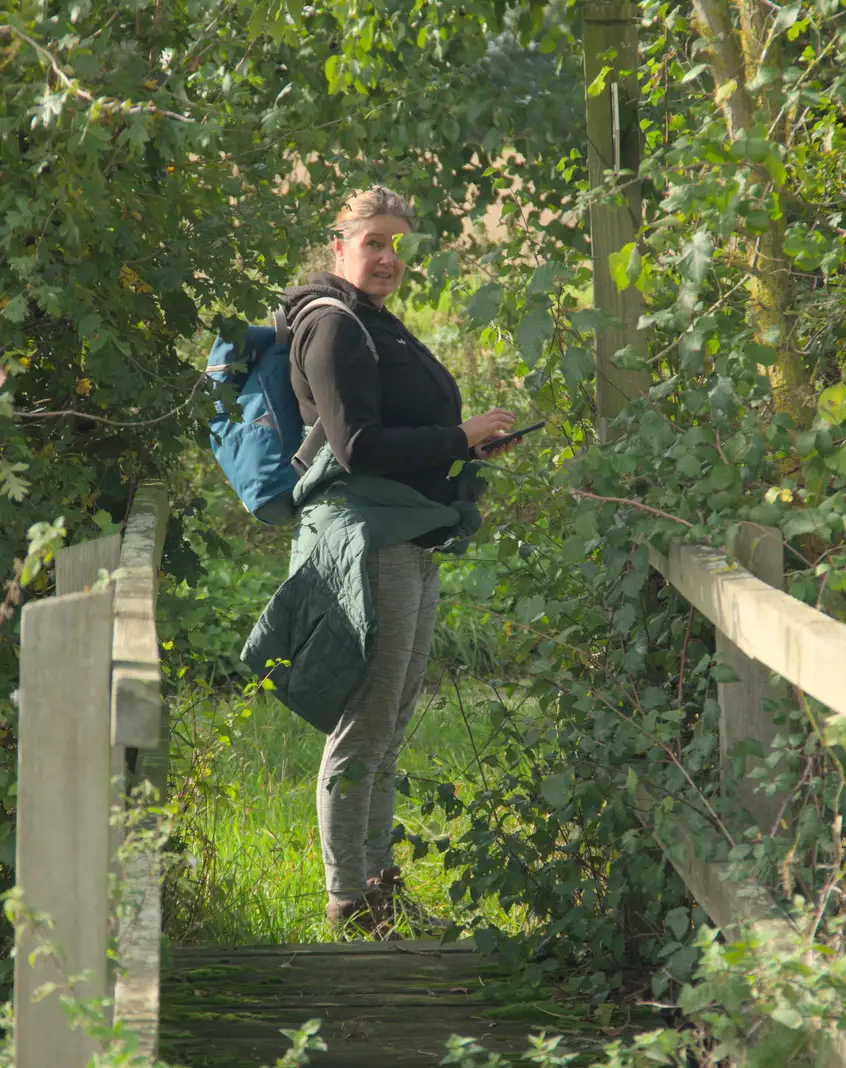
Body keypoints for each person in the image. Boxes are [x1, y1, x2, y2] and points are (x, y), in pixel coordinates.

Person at [278, 187, 515, 934]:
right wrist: (457, 435)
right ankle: (348, 900)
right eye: (373, 241)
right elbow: (359, 447)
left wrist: (466, 439)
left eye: (398, 245)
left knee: (391, 722)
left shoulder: (378, 324)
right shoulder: (335, 327)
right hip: (367, 543)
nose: (387, 258)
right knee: (365, 722)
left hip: (410, 533)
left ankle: (378, 895)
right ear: (338, 242)